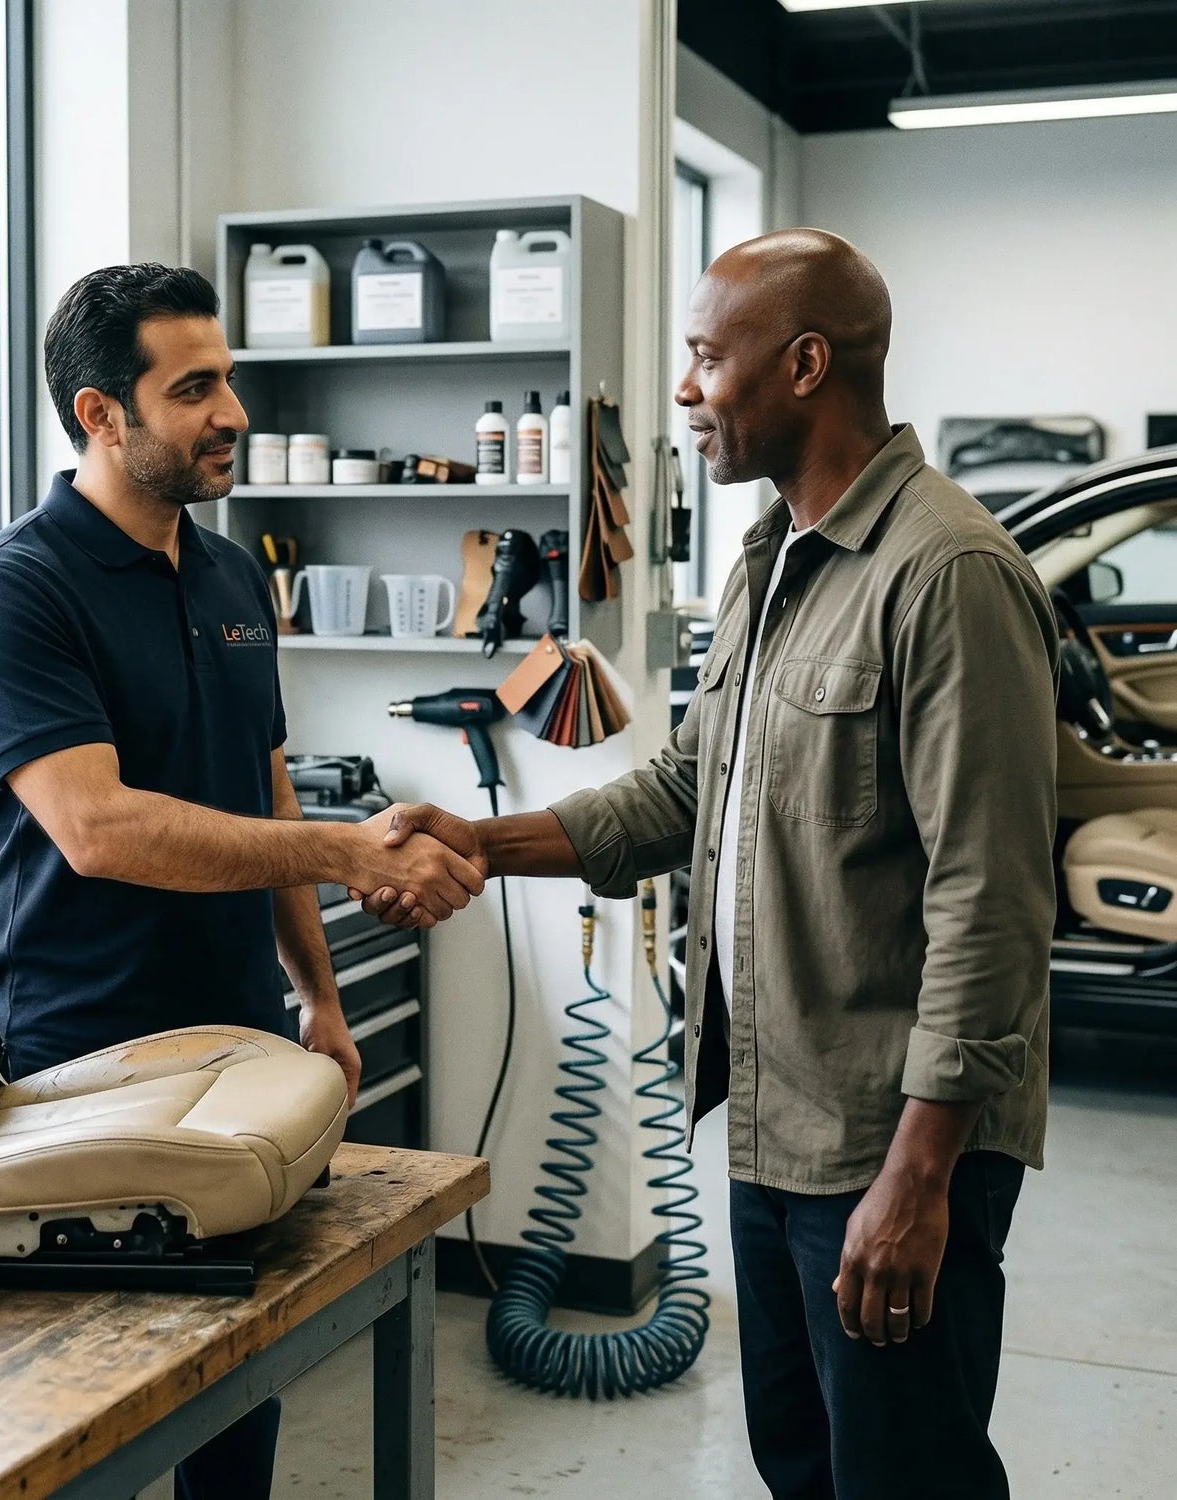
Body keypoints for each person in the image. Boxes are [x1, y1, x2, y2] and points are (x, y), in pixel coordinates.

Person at [356, 230, 1058, 1500]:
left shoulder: (947, 573)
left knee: (907, 1474)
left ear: (801, 365)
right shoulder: (768, 562)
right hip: (772, 1125)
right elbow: (693, 788)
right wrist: (484, 841)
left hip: (886, 1139)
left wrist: (917, 1176)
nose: (684, 393)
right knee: (801, 1461)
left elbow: (993, 904)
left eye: (702, 358)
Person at [0, 262, 484, 1500]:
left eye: (228, 377)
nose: (232, 410)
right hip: (83, 1065)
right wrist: (354, 852)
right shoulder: (12, 593)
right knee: (89, 1414)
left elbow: (265, 784)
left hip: (243, 1045)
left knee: (240, 1399)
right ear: (101, 415)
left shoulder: (235, 576)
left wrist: (320, 996)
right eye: (195, 389)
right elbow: (100, 829)